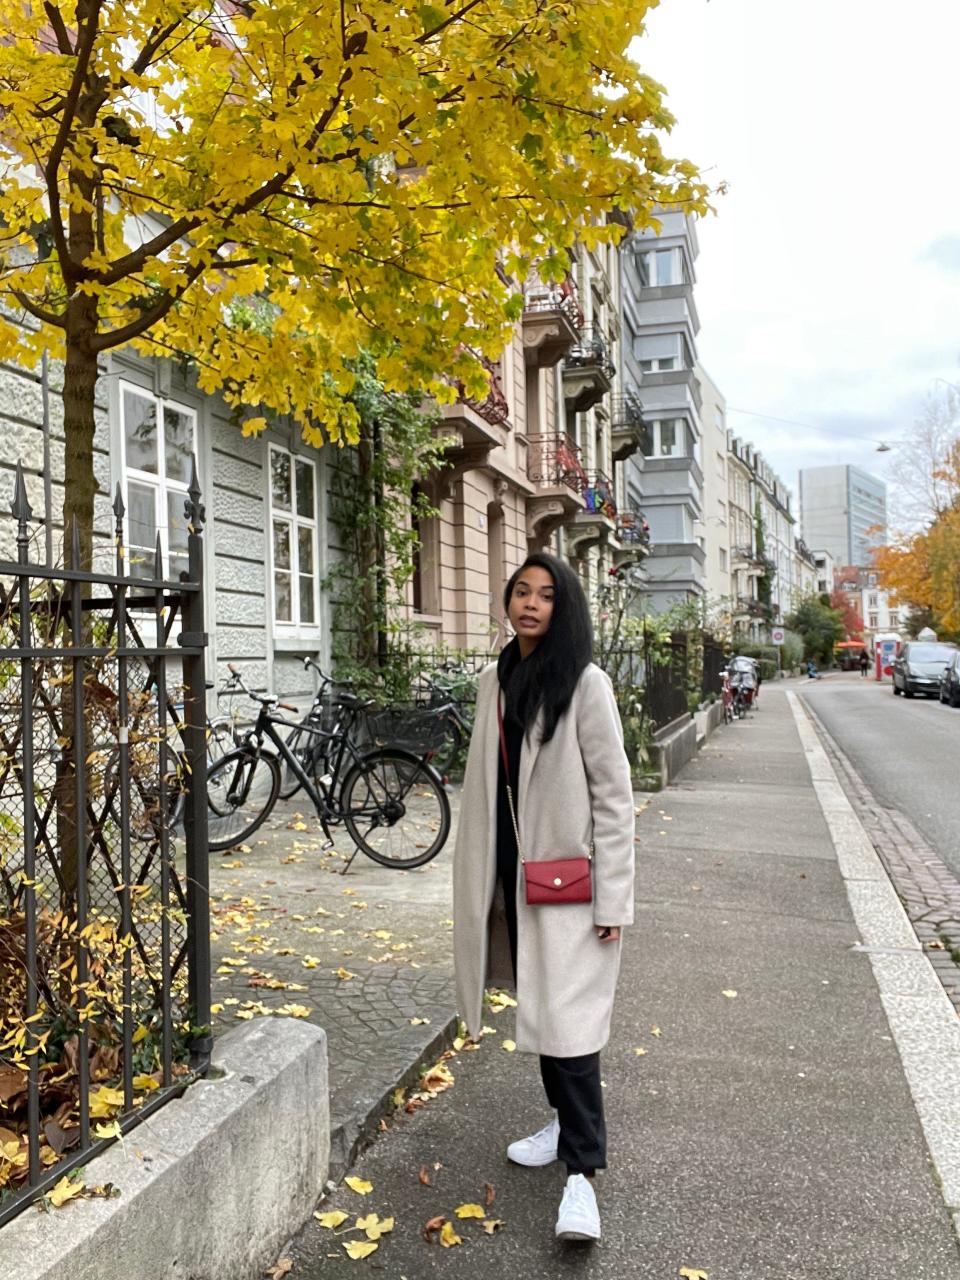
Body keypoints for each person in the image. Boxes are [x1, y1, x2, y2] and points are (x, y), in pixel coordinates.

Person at [453, 552, 635, 1245]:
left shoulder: (586, 685)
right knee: (543, 1011)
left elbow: (615, 801)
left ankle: (582, 1177)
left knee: (571, 1030)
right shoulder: (494, 681)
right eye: (521, 591)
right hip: (508, 876)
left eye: (547, 595)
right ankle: (561, 1125)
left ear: (566, 609)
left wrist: (614, 899)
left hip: (569, 884)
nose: (530, 603)